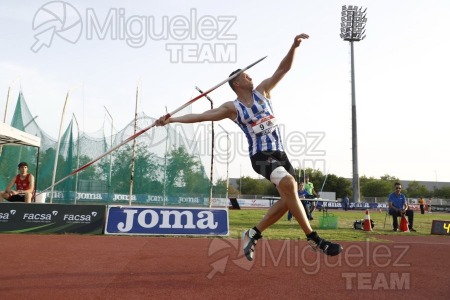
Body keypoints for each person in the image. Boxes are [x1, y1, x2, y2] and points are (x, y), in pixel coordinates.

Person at [156, 34, 343, 259]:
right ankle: (314, 239)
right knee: (289, 183)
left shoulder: (263, 91)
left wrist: (293, 47)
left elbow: (282, 70)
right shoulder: (232, 108)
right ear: (237, 83)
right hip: (260, 155)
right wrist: (172, 120)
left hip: (281, 154)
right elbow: (203, 116)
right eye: (245, 75)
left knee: (288, 198)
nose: (250, 76)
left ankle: (252, 233)